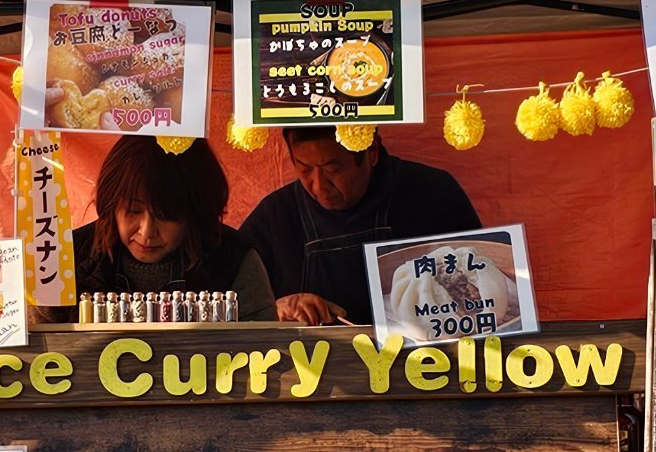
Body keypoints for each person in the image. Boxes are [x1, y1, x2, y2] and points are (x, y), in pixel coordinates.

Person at [241, 129, 481, 326]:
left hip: (429, 363)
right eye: (304, 169)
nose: (319, 185)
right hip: (313, 369)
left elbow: (482, 292)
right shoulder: (275, 216)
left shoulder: (435, 195)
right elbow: (234, 313)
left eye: (333, 170)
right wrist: (275, 310)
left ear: (372, 150)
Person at [69, 136, 275, 319]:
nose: (146, 232)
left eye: (165, 215)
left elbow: (263, 346)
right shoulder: (68, 258)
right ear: (110, 205)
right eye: (133, 210)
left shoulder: (235, 262)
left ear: (195, 213)